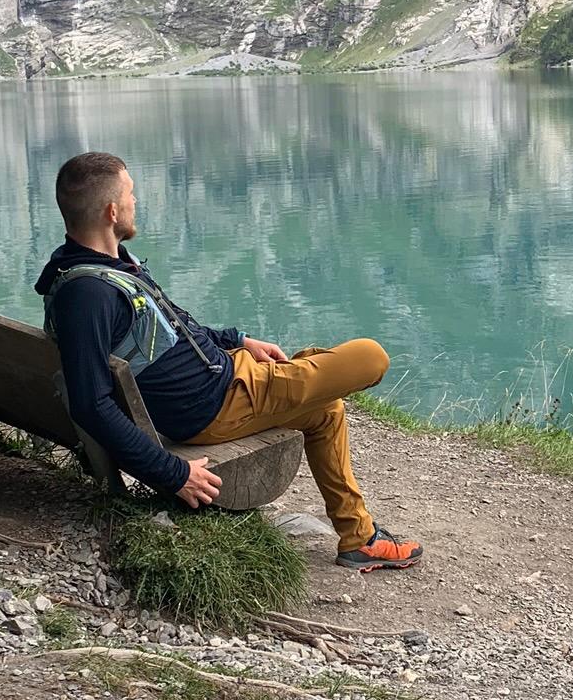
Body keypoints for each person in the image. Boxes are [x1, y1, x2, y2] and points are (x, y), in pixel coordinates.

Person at [34, 151, 423, 572]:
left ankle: (359, 538)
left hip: (225, 375)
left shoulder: (91, 267)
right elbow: (92, 403)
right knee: (370, 356)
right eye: (131, 194)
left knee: (325, 409)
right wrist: (173, 474)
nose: (136, 201)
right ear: (112, 211)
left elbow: (172, 331)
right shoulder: (91, 295)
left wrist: (238, 340)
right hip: (219, 403)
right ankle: (356, 529)